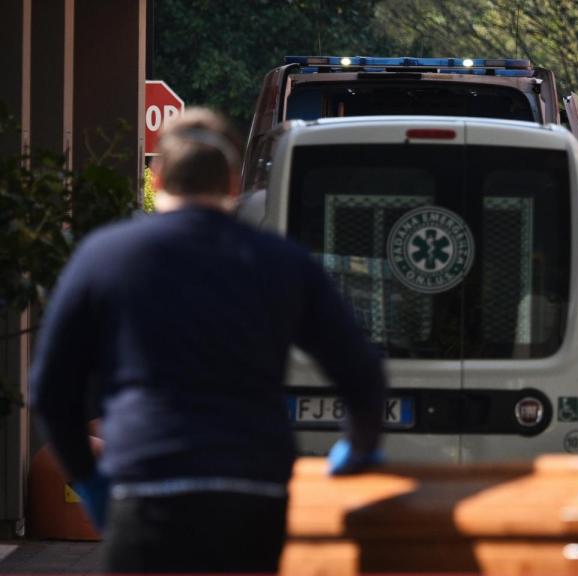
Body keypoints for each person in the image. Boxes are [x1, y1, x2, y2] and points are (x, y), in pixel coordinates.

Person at [29, 108, 387, 573]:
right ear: (235, 183)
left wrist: (93, 481)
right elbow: (360, 374)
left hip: (146, 494)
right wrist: (359, 449)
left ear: (156, 179)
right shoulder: (281, 262)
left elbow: (52, 389)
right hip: (251, 497)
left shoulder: (105, 256)